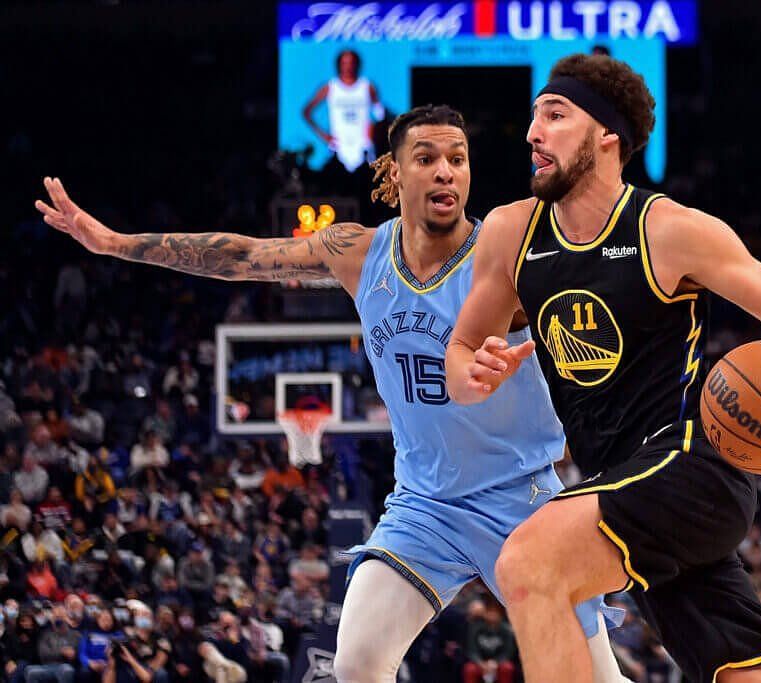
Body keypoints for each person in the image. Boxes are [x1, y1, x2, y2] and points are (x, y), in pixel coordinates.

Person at [35, 104, 623, 682]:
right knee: (358, 662)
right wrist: (114, 242)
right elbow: (242, 257)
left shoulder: (505, 256)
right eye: (427, 157)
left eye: (458, 158)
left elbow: (600, 301)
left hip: (519, 499)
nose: (446, 171)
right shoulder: (358, 252)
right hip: (426, 505)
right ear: (394, 173)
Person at [446, 53, 761, 682]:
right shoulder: (510, 234)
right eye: (534, 117)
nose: (533, 132)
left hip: (693, 464)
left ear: (607, 135)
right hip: (625, 488)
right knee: (749, 674)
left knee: (527, 564)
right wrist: (472, 374)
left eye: (555, 115)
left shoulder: (670, 231)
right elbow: (462, 352)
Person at [302, 49, 385, 172]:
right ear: (339, 65)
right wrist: (324, 136)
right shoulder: (331, 87)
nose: (348, 67)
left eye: (351, 63)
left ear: (357, 64)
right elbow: (306, 112)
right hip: (339, 148)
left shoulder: (366, 86)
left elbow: (381, 114)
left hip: (363, 147)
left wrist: (374, 129)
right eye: (344, 63)